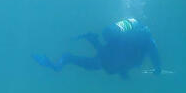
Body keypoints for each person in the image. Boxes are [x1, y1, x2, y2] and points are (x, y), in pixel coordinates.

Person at [32, 18, 161, 79]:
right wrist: (158, 69)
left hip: (108, 59)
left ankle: (89, 40)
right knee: (94, 61)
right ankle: (70, 54)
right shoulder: (149, 42)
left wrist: (123, 72)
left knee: (97, 60)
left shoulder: (135, 39)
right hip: (110, 63)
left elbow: (120, 52)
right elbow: (154, 57)